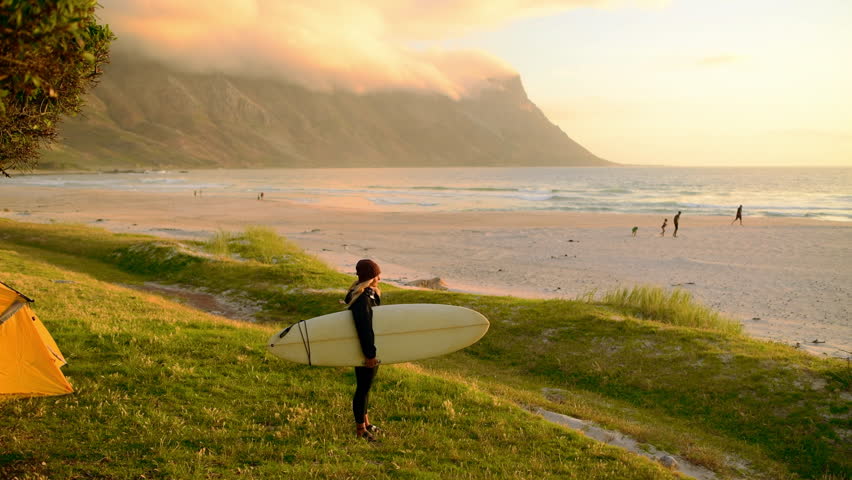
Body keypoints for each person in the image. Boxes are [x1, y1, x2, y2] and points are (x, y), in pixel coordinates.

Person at [345, 259, 382, 441]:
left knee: (366, 387)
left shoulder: (363, 293)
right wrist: (370, 355)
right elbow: (365, 328)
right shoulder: (363, 299)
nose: (380, 278)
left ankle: (366, 423)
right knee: (363, 388)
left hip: (366, 348)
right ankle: (360, 430)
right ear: (370, 277)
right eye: (377, 275)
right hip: (364, 349)